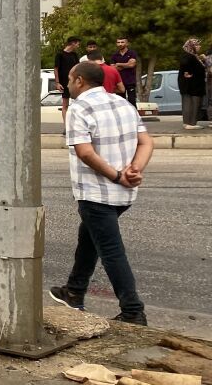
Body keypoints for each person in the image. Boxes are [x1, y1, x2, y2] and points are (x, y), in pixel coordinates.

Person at [48, 62, 152, 326]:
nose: (68, 85)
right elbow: (146, 141)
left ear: (80, 81)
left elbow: (84, 151)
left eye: (70, 80)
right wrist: (134, 170)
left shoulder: (79, 108)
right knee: (89, 239)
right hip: (124, 194)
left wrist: (116, 176)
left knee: (111, 251)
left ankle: (132, 310)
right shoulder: (122, 103)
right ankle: (74, 290)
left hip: (96, 193)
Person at [178, 38, 206, 130]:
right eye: (197, 45)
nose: (199, 47)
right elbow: (185, 64)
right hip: (191, 87)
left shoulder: (194, 56)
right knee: (190, 104)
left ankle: (191, 123)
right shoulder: (188, 56)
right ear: (192, 47)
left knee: (195, 104)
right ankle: (190, 123)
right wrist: (187, 73)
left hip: (195, 86)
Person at [53, 36, 82, 119]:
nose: (78, 46)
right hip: (64, 83)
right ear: (73, 43)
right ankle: (66, 126)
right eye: (78, 44)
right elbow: (56, 69)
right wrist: (57, 83)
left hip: (75, 82)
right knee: (65, 104)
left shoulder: (74, 55)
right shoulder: (60, 54)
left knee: (78, 103)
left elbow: (77, 67)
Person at [107, 36, 139, 106]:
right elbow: (113, 68)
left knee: (132, 101)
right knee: (121, 102)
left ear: (127, 43)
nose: (120, 44)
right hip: (119, 82)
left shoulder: (132, 53)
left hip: (130, 81)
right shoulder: (114, 55)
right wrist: (127, 64)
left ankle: (134, 116)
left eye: (122, 42)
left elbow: (132, 65)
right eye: (118, 42)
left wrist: (119, 64)